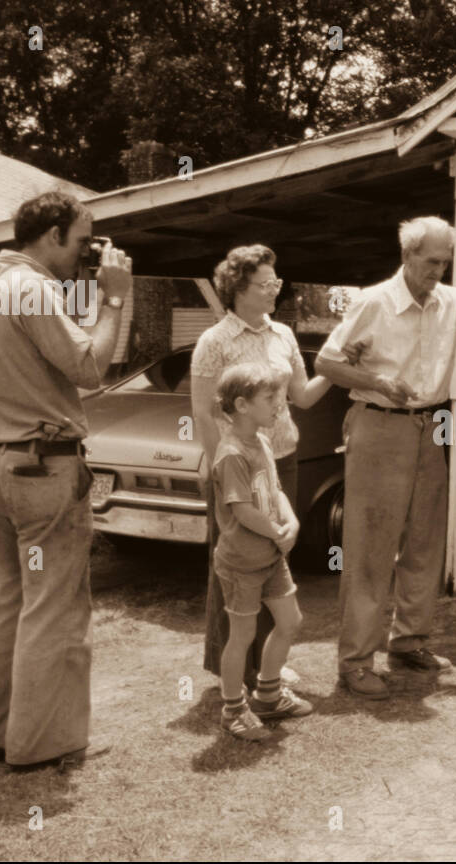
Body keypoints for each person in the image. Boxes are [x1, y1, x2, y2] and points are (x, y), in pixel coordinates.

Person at [314, 217, 456, 699]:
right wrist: (379, 382)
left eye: (445, 261)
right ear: (407, 256)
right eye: (431, 260)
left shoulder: (450, 302)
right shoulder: (373, 302)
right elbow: (326, 363)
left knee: (425, 541)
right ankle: (355, 662)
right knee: (370, 547)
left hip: (430, 428)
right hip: (379, 424)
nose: (439, 269)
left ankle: (408, 641)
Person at [0, 191, 132, 769]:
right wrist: (114, 300)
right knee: (55, 606)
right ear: (53, 234)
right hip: (42, 467)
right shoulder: (35, 287)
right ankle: (43, 744)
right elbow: (88, 368)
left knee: (8, 597)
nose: (87, 254)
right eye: (83, 241)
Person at [191, 245, 360, 692]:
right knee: (238, 565)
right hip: (238, 470)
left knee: (273, 558)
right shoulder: (216, 341)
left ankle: (267, 665)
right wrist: (228, 470)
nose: (275, 290)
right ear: (238, 289)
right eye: (267, 284)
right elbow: (204, 414)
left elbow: (302, 396)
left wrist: (339, 362)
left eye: (276, 282)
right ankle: (234, 669)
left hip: (281, 460)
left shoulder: (283, 335)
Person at [209, 363, 313, 740]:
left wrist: (292, 524)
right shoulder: (232, 453)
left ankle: (267, 696)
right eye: (269, 398)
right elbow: (242, 510)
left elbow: (276, 490)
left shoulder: (264, 443)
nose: (280, 404)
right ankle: (233, 710)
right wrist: (277, 532)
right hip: (241, 564)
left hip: (270, 557)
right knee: (242, 635)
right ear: (241, 404)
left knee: (290, 621)